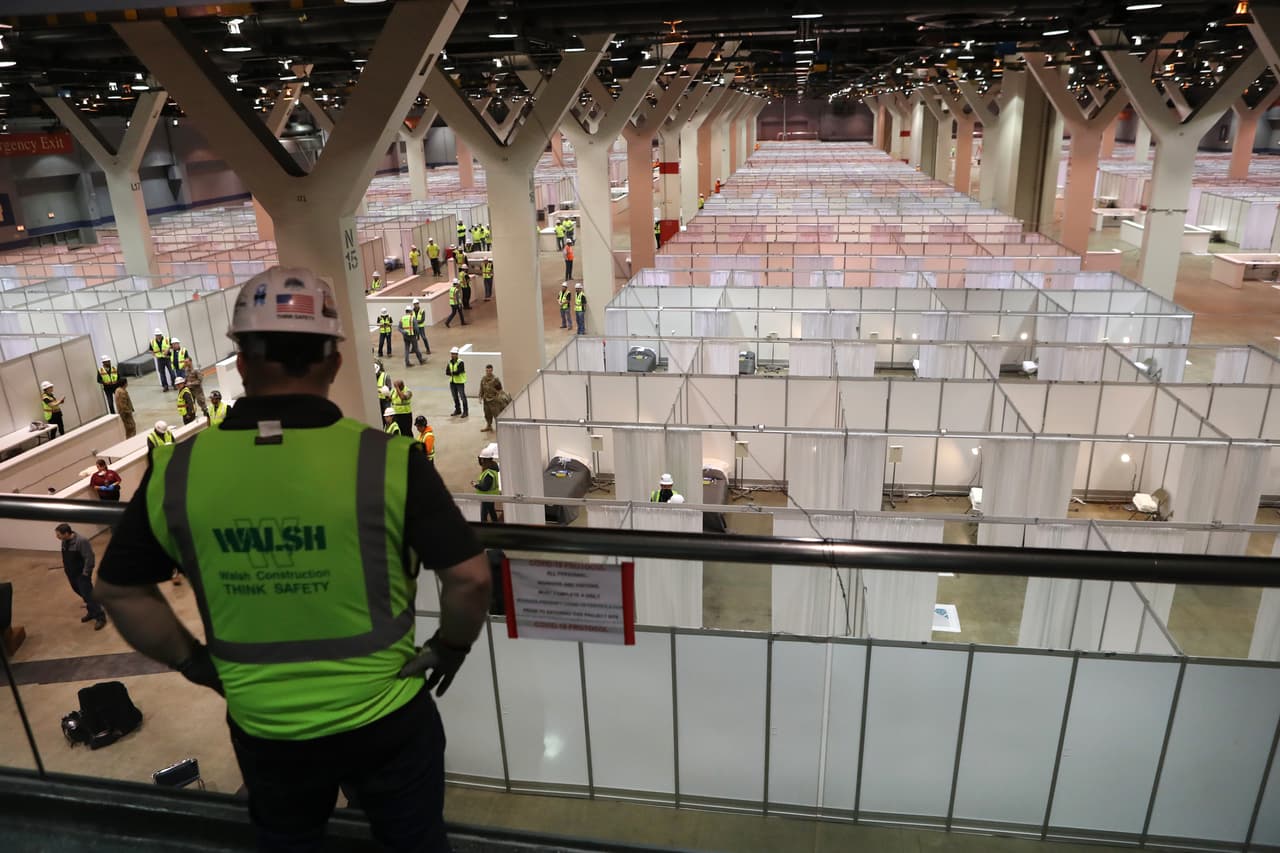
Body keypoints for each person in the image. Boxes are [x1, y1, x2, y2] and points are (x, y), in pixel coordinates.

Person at [95, 266, 491, 852]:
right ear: (333, 361)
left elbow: (119, 590)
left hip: (266, 724)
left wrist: (196, 664)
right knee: (414, 841)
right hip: (385, 715)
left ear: (241, 361)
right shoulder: (389, 460)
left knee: (288, 840)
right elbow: (470, 579)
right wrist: (449, 647)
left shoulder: (175, 472)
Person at [56, 523, 106, 630]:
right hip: (71, 574)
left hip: (81, 574)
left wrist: (86, 573)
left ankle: (100, 617)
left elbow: (89, 557)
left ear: (66, 533)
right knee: (81, 593)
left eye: (59, 535)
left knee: (89, 595)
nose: (57, 537)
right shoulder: (64, 541)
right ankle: (92, 612)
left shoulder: (81, 541)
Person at [473, 442, 501, 523]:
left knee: (483, 515)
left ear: (484, 459)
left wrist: (475, 485)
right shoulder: (493, 465)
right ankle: (496, 523)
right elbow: (482, 464)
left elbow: (485, 487)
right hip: (492, 495)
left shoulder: (488, 473)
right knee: (492, 511)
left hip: (487, 496)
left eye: (482, 458)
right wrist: (479, 458)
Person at [478, 365, 506, 433]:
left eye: (490, 371)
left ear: (492, 370)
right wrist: (480, 397)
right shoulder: (483, 379)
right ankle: (489, 426)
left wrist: (498, 397)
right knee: (487, 414)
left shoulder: (495, 379)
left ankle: (500, 428)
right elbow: (481, 389)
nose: (488, 372)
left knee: (496, 415)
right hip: (486, 400)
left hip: (494, 400)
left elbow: (500, 390)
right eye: (487, 371)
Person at [445, 347, 468, 418]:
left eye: (454, 354)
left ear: (457, 354)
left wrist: (452, 373)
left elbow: (459, 372)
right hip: (452, 382)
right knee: (455, 397)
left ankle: (465, 411)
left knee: (462, 397)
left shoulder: (460, 362)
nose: (453, 355)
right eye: (452, 354)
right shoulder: (449, 362)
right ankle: (458, 410)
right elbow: (447, 372)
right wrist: (453, 373)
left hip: (460, 382)